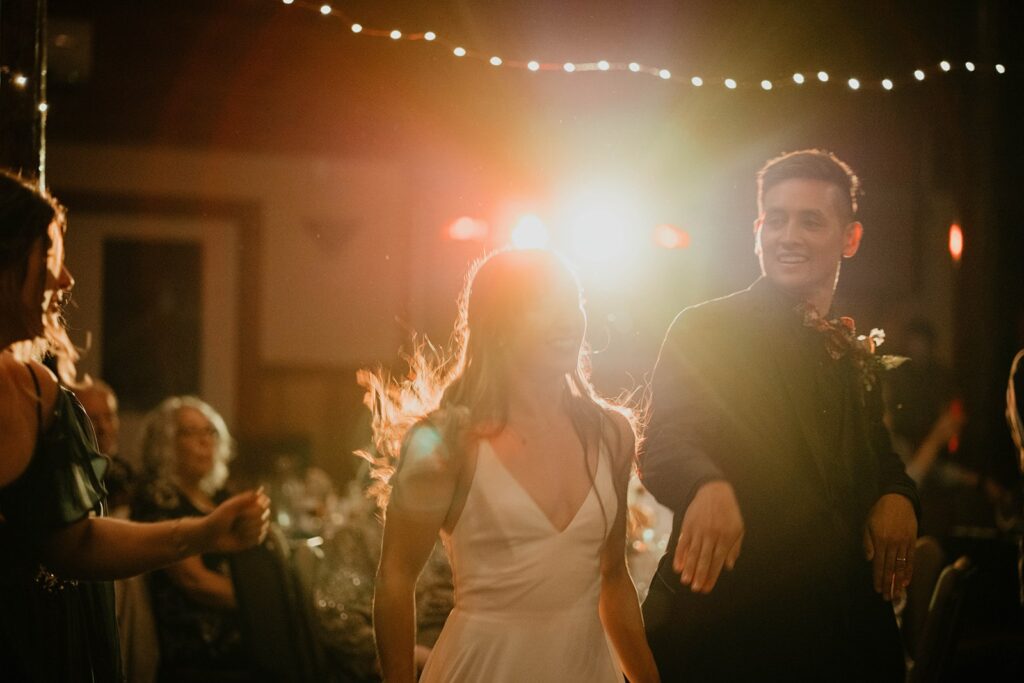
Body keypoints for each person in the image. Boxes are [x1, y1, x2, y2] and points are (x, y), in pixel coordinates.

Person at [641, 150, 920, 681]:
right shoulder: (707, 327)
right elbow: (665, 438)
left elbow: (877, 454)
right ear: (757, 229)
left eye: (811, 221)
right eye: (777, 218)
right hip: (733, 631)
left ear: (850, 238)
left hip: (841, 636)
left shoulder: (849, 348)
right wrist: (705, 485)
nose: (788, 235)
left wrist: (898, 495)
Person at [0, 168, 270, 682]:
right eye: (50, 258)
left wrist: (204, 532)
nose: (66, 279)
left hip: (34, 652)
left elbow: (77, 544)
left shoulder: (39, 394)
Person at [370, 249, 660, 683]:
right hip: (483, 668)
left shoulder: (611, 433)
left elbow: (614, 580)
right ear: (497, 326)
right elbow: (395, 578)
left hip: (585, 670)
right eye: (542, 306)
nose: (566, 319)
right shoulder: (450, 440)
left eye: (572, 302)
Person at [131, 395, 250, 678]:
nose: (204, 441)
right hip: (200, 649)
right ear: (165, 443)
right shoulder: (160, 496)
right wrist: (263, 602)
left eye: (209, 431)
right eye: (190, 432)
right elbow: (194, 581)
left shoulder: (219, 496)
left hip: (240, 636)